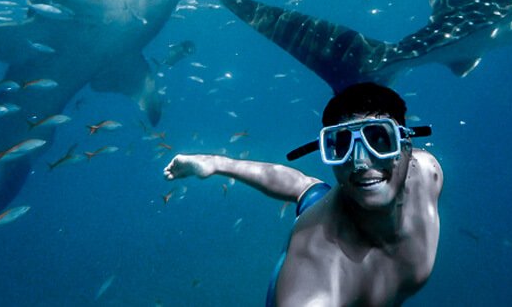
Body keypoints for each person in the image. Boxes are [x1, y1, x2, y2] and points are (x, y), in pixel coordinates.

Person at [164, 82, 443, 306]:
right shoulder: (315, 274)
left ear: (407, 146)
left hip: (336, 204)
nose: (360, 162)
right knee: (315, 200)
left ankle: (216, 163)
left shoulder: (427, 172)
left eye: (380, 140)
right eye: (342, 146)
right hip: (320, 234)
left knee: (309, 189)